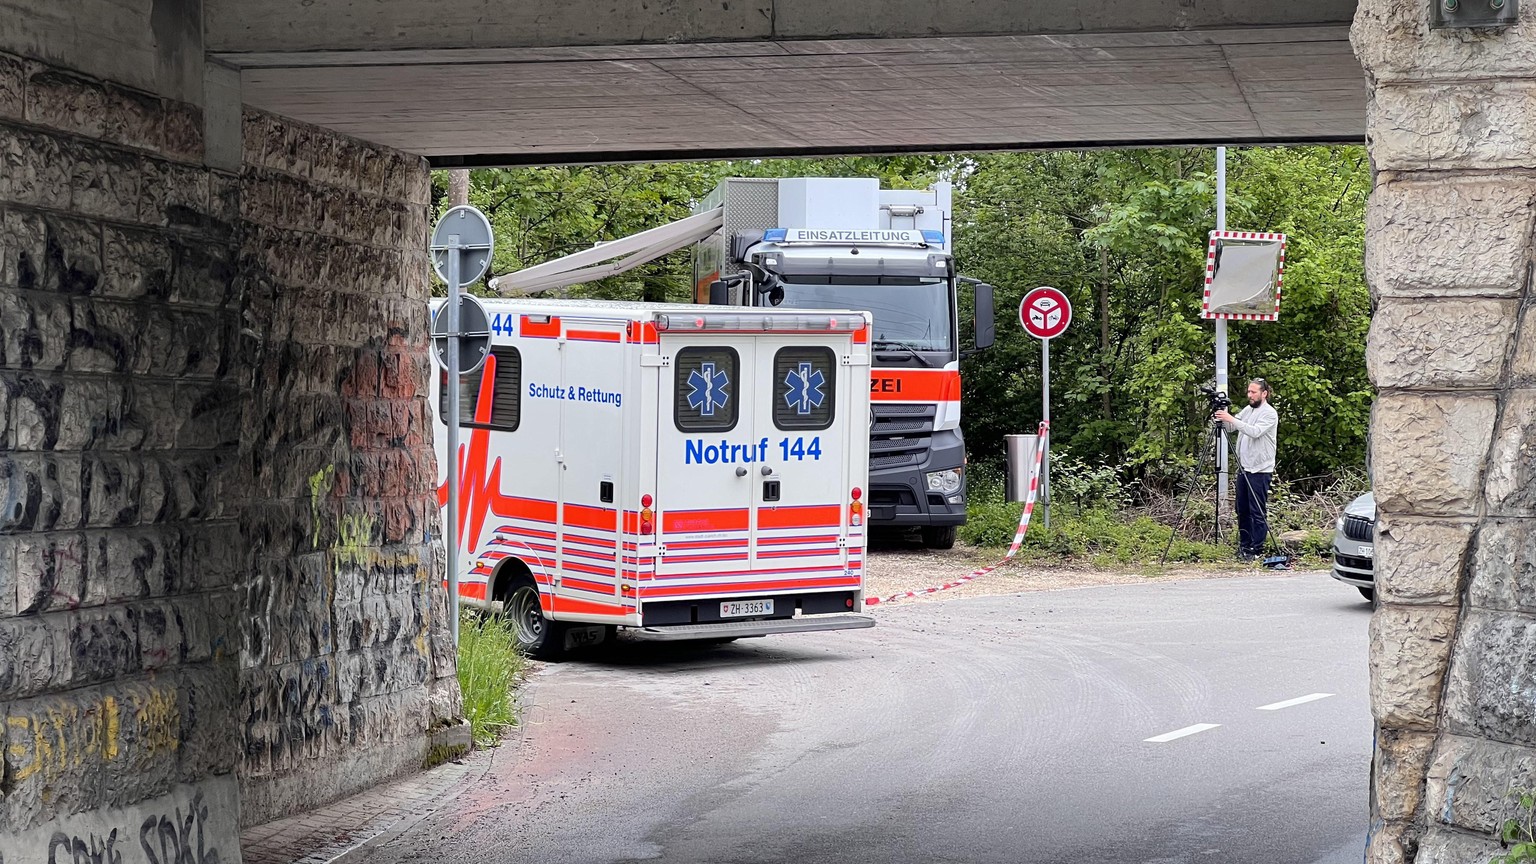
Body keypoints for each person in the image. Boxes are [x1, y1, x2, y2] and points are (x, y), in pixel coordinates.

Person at [1213, 378, 1278, 561]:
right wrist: (1220, 417)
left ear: (1264, 393)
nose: (1250, 395)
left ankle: (1257, 549)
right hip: (1244, 467)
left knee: (1257, 510)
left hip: (1260, 468)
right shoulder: (1248, 410)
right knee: (1241, 509)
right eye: (1248, 392)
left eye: (1253, 392)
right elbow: (1232, 427)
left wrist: (1231, 418)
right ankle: (1245, 546)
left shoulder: (1269, 414)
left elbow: (1255, 431)